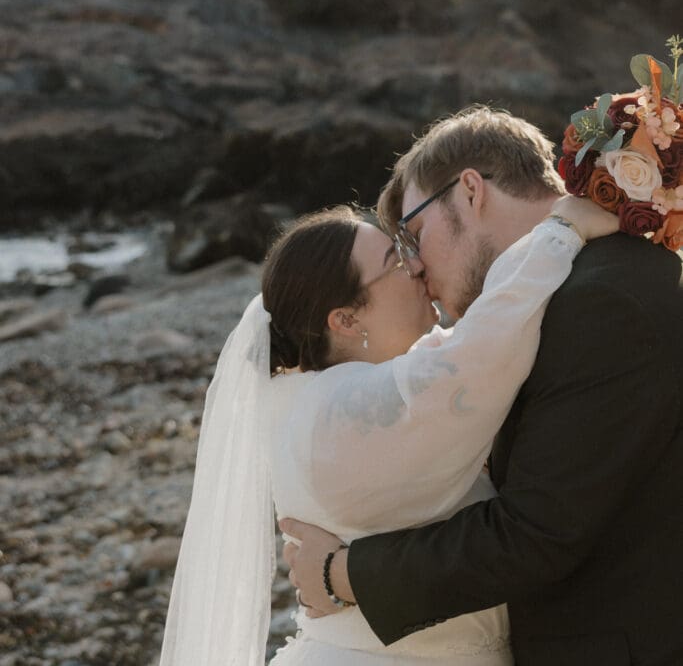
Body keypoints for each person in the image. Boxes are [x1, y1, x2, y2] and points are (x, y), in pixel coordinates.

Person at [159, 168, 617, 666]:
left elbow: (462, 346)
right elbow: (481, 352)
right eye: (396, 259)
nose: (417, 265)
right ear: (346, 319)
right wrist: (559, 232)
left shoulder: (326, 393)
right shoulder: (341, 411)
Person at [282, 107, 683, 666]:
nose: (416, 267)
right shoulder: (559, 299)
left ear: (470, 191)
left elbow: (537, 533)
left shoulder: (601, 301)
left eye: (416, 234)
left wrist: (340, 573)